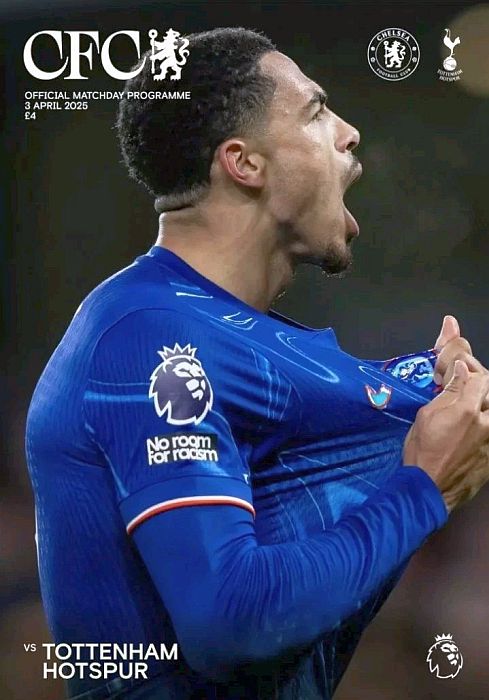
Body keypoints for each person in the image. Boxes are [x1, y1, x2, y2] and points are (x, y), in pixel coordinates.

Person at [25, 27, 489, 700]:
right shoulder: (151, 337)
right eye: (316, 112)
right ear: (244, 164)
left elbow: (379, 403)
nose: (349, 133)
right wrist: (424, 492)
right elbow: (230, 624)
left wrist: (442, 382)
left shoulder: (224, 335)